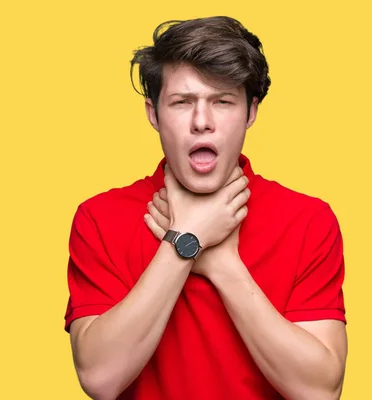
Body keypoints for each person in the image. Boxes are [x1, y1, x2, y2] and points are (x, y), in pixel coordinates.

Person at [63, 16, 347, 400]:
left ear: (250, 112)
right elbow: (99, 379)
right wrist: (185, 242)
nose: (202, 122)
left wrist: (220, 262)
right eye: (182, 102)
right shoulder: (100, 218)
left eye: (223, 102)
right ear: (154, 114)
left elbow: (320, 392)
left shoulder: (308, 221)